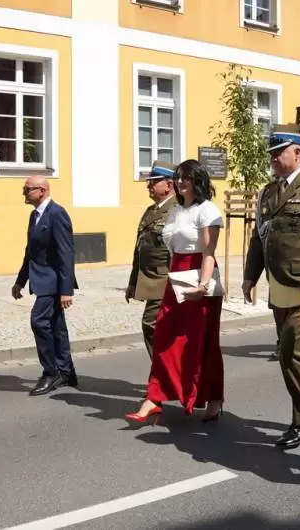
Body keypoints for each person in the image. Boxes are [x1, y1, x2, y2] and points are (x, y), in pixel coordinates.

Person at [243, 124, 300, 449]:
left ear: (297, 152)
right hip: (281, 285)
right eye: (270, 153)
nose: (272, 158)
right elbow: (260, 237)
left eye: (278, 152)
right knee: (299, 353)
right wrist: (250, 275)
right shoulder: (269, 192)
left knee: (292, 350)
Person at [126, 160, 225, 424]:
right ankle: (154, 397)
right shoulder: (177, 210)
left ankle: (214, 398)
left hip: (199, 275)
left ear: (198, 180)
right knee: (163, 337)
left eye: (186, 178)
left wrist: (203, 285)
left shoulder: (208, 210)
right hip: (176, 275)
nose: (180, 182)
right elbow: (170, 248)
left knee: (202, 342)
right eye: (179, 177)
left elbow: (209, 253)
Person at [12, 176, 78, 396]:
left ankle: (51, 372)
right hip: (41, 279)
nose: (24, 192)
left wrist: (66, 290)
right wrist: (21, 280)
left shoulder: (57, 214)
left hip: (53, 281)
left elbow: (66, 252)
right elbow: (30, 251)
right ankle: (66, 372)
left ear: (41, 190)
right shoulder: (35, 215)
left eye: (27, 189)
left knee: (39, 321)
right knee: (56, 326)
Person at [126, 161, 177, 358]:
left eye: (154, 182)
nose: (149, 185)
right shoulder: (151, 211)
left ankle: (164, 368)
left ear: (169, 184)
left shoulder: (177, 211)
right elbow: (139, 250)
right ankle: (165, 369)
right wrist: (133, 283)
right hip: (150, 279)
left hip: (165, 279)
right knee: (158, 327)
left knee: (151, 323)